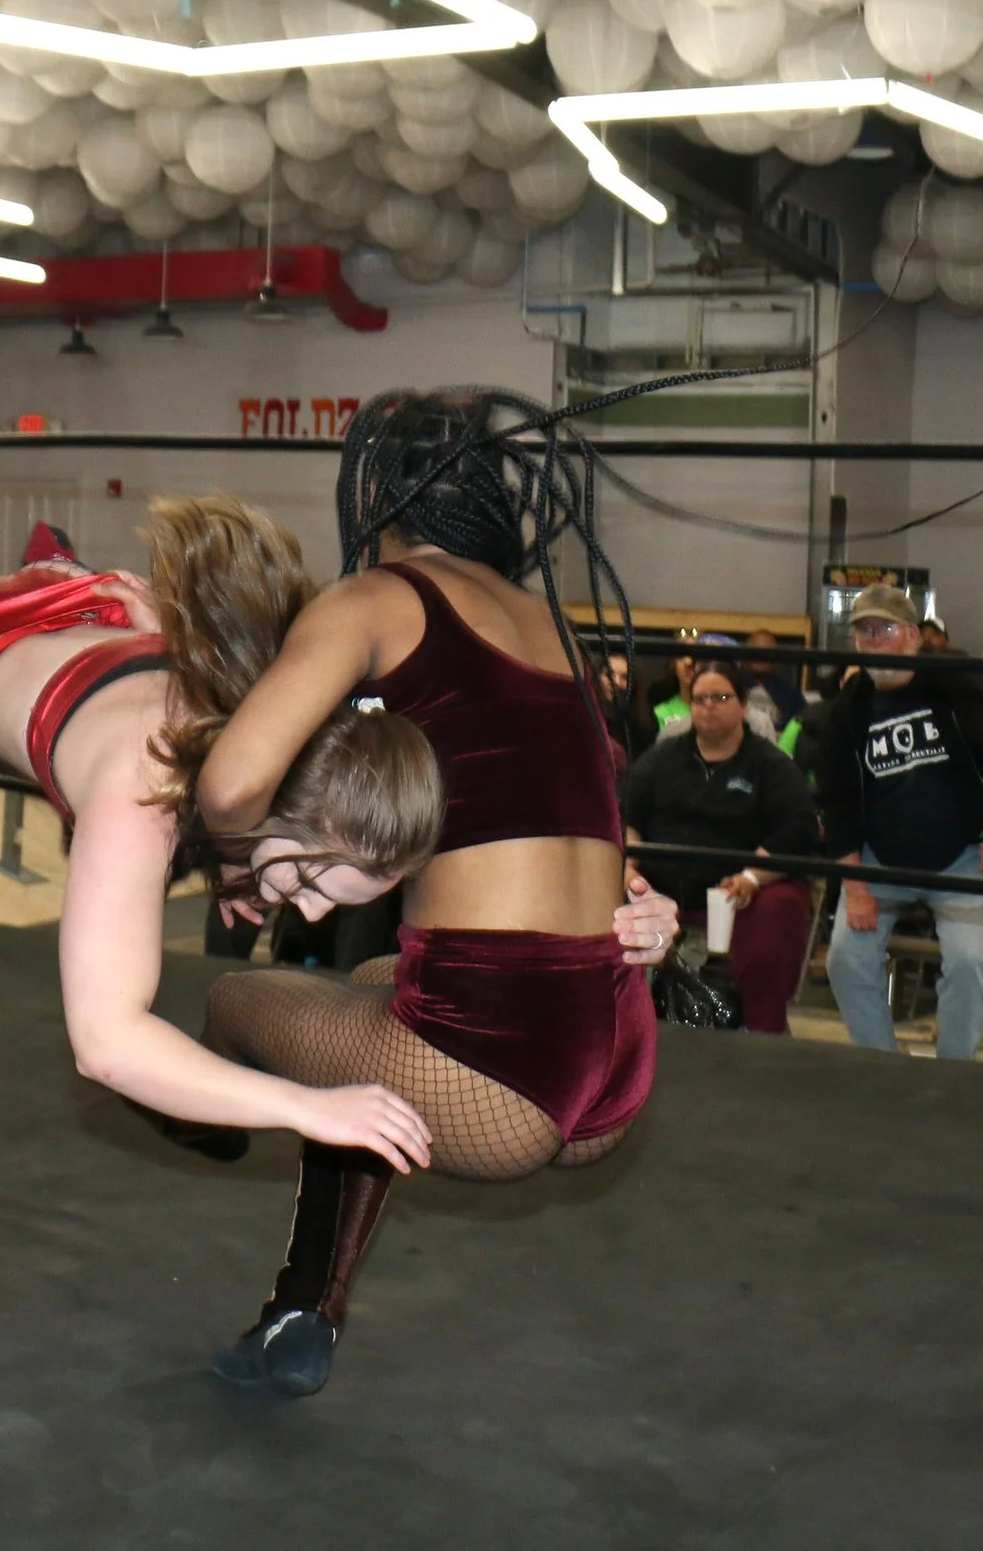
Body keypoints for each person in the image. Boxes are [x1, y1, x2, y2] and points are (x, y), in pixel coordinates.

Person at [195, 389, 683, 1397]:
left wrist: (242, 859)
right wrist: (651, 906)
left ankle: (206, 1113)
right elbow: (576, 816)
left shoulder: (375, 599)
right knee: (373, 985)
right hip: (615, 1048)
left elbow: (231, 783)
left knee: (235, 998)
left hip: (492, 1071)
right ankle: (299, 1312)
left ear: (374, 497)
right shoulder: (553, 625)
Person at [0, 501, 466, 1200]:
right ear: (287, 808)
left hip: (85, 614)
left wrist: (240, 859)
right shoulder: (139, 795)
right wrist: (309, 1107)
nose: (306, 912)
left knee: (134, 625)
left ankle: (49, 567)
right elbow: (106, 1045)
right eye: (310, 884)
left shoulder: (279, 706)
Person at [815, 583, 983, 1060]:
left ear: (913, 636)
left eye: (885, 629)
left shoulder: (955, 686)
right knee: (845, 959)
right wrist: (855, 886)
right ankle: (883, 1067)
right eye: (864, 631)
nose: (874, 640)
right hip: (880, 859)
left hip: (963, 855)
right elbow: (836, 803)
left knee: (968, 962)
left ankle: (952, 1074)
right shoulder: (847, 710)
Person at [621, 661, 821, 1036]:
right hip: (660, 883)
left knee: (780, 906)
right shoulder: (662, 758)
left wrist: (752, 877)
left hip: (739, 890)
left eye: (720, 697)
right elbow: (628, 816)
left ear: (743, 706)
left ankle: (761, 1031)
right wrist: (628, 868)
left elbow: (797, 830)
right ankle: (623, 1025)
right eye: (700, 699)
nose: (708, 706)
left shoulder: (771, 765)